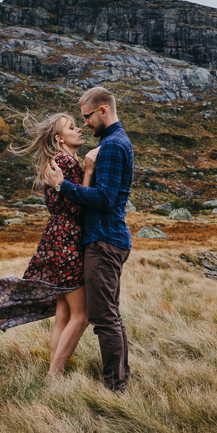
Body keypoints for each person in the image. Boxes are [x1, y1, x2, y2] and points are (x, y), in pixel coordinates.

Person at [0, 112, 95, 377]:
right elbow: (78, 205)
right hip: (69, 240)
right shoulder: (67, 162)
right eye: (72, 127)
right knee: (81, 316)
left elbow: (58, 205)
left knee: (63, 314)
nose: (79, 130)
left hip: (55, 238)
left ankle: (55, 374)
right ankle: (55, 376)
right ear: (60, 138)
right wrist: (90, 172)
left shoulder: (56, 162)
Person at [44, 87, 134, 393]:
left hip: (104, 240)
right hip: (107, 238)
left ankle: (115, 387)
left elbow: (105, 198)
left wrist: (64, 188)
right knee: (108, 314)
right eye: (78, 120)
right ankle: (120, 378)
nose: (85, 124)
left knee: (103, 317)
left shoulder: (110, 146)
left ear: (103, 111)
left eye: (86, 117)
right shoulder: (114, 143)